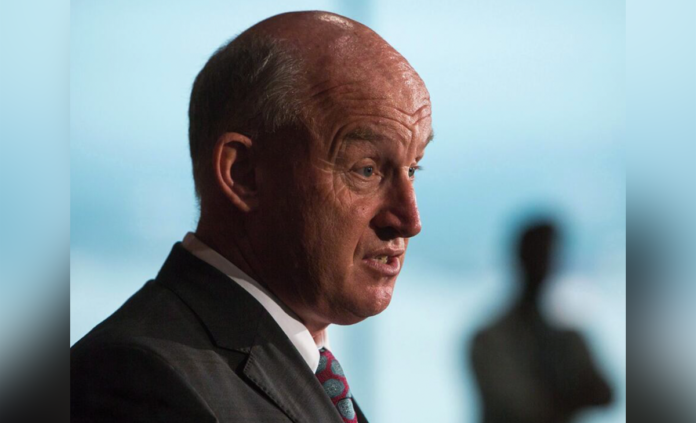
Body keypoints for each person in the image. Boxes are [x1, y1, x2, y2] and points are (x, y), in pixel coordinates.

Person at [71, 10, 433, 423]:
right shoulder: (136, 382)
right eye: (366, 170)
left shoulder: (303, 370)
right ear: (243, 175)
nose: (409, 220)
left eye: (413, 169)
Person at [470, 220, 612, 423]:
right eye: (539, 254)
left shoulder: (567, 337)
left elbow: (606, 394)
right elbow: (522, 410)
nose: (544, 263)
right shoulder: (490, 340)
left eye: (548, 254)